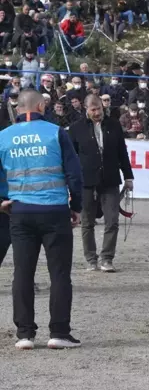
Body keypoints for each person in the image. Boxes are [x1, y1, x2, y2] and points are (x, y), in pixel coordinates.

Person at [0, 90, 83, 350]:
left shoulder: (3, 136)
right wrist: (76, 206)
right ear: (40, 105)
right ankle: (59, 332)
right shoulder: (56, 132)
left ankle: (25, 334)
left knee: (22, 273)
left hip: (20, 212)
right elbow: (75, 174)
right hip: (54, 211)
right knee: (59, 274)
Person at [68, 95, 134, 273]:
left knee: (112, 221)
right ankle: (91, 259)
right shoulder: (75, 129)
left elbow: (122, 152)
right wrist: (70, 183)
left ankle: (107, 258)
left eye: (99, 108)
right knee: (87, 223)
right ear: (86, 109)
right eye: (93, 109)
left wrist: (128, 176)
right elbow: (70, 158)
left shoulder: (114, 125)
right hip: (86, 182)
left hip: (110, 180)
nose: (97, 112)